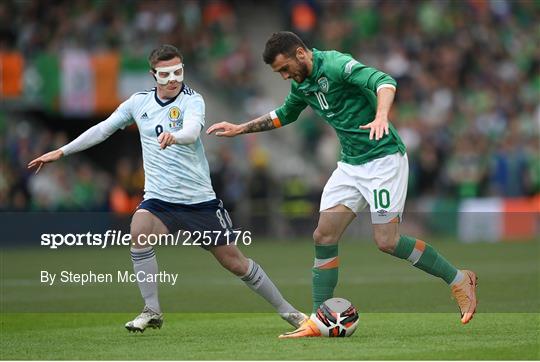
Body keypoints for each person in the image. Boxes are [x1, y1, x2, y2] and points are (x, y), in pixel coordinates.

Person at [207, 31, 478, 338]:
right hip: (350, 165)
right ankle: (319, 320)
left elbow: (385, 82)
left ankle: (458, 278)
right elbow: (284, 115)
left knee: (386, 241)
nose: (284, 77)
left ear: (300, 54)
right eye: (278, 73)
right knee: (323, 234)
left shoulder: (335, 64)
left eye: (284, 69)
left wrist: (381, 115)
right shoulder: (302, 84)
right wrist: (240, 128)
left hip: (383, 160)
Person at [28, 44, 306, 333]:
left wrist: (175, 137)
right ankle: (152, 310)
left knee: (236, 263)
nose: (173, 79)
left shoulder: (193, 100)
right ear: (153, 75)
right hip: (160, 199)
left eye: (178, 71)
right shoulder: (138, 103)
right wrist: (62, 152)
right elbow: (103, 128)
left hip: (199, 201)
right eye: (165, 74)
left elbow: (191, 130)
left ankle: (289, 311)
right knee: (139, 231)